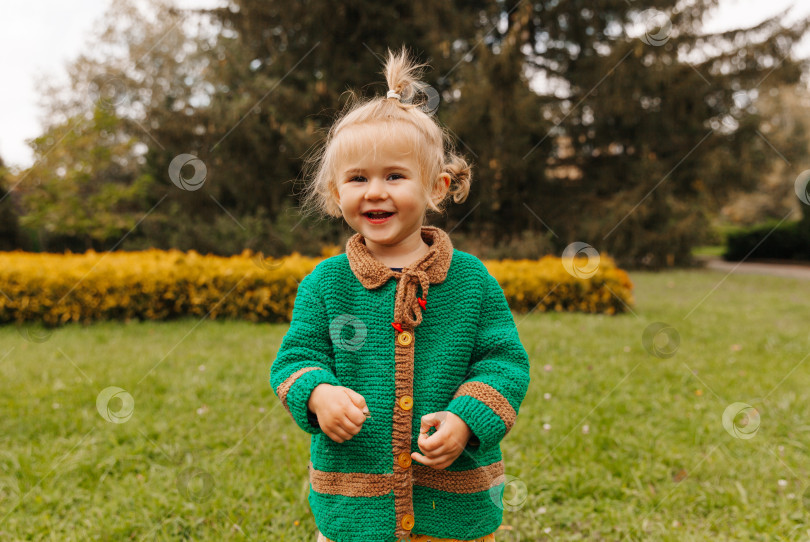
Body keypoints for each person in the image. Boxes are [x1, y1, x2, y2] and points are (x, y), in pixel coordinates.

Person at [269, 45, 531, 542]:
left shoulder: (471, 281)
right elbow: (294, 359)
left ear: (436, 186)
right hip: (354, 503)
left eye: (394, 175)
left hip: (455, 500)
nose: (374, 191)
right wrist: (318, 393)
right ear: (333, 193)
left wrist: (466, 418)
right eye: (357, 178)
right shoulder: (325, 284)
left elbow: (505, 363)